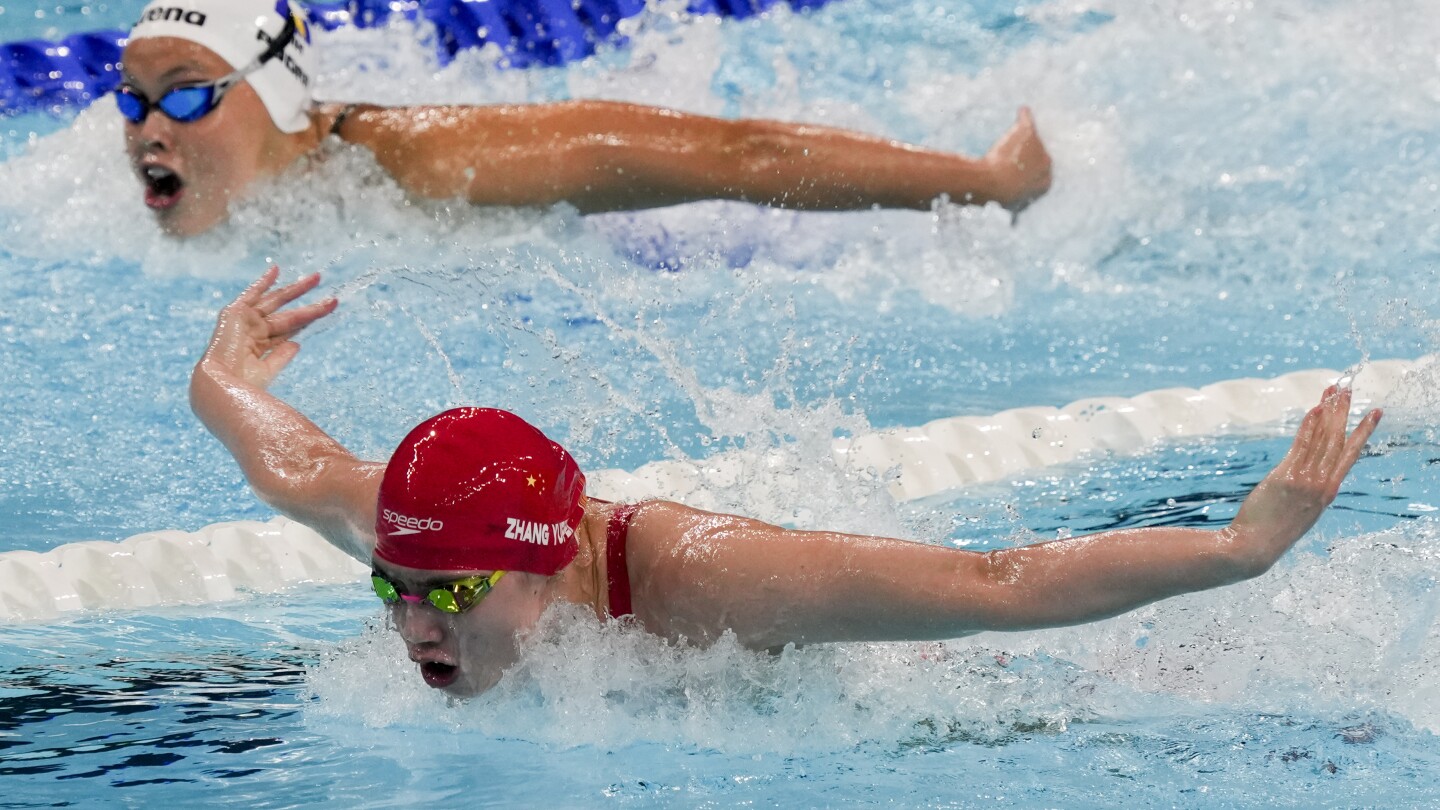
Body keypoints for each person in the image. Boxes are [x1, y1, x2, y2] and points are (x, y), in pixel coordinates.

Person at [190, 268, 1383, 696]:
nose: (408, 620)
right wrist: (219, 372)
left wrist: (1239, 549)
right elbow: (290, 460)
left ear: (546, 562)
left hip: (904, 687)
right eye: (392, 588)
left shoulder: (708, 583)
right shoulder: (418, 536)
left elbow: (998, 580)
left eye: (444, 596)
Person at [121, 0, 1053, 237]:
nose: (148, 128)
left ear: (278, 94)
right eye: (132, 97)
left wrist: (988, 182)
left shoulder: (419, 163)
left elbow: (736, 153)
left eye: (189, 91)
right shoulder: (98, 200)